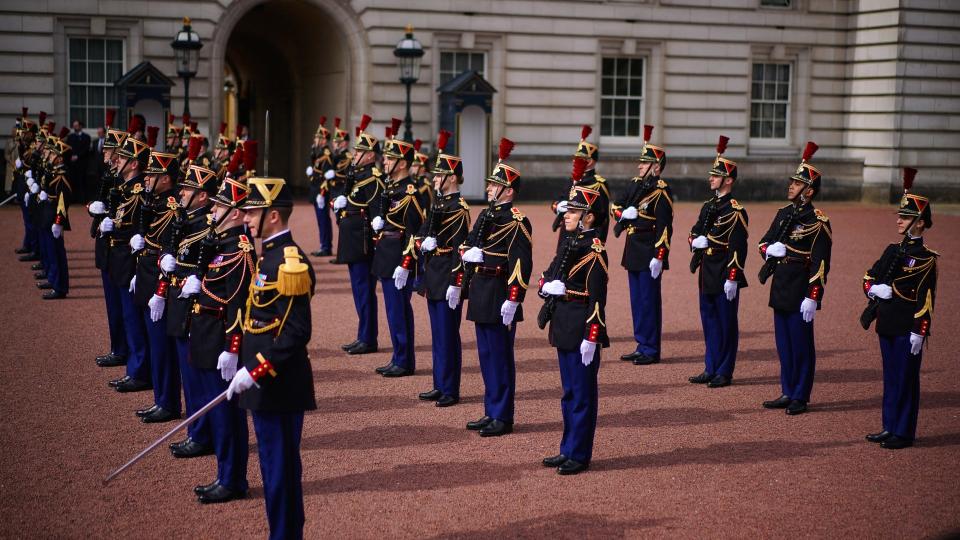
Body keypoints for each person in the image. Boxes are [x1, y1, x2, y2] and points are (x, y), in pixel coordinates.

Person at [226, 175, 316, 540]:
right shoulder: (269, 257)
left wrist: (255, 370)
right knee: (273, 467)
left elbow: (296, 332)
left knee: (278, 471)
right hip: (265, 383)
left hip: (277, 383)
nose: (246, 219)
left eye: (253, 212)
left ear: (273, 216)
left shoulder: (289, 262)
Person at [454, 138, 532, 437]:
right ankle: (490, 410)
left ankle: (503, 416)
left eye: (493, 185)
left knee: (500, 357)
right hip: (481, 289)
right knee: (486, 356)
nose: (488, 189)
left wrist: (514, 299)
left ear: (508, 190)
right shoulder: (486, 215)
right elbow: (468, 243)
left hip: (500, 292)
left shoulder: (517, 222)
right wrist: (467, 253)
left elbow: (521, 264)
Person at [189, 157, 255, 503]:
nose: (212, 211)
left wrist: (233, 347)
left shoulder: (239, 251)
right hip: (205, 333)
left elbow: (238, 305)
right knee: (216, 414)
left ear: (233, 212)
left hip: (220, 339)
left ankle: (232, 480)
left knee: (228, 417)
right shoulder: (218, 245)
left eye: (218, 206)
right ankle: (223, 475)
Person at [862, 167, 937, 449]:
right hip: (887, 322)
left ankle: (904, 431)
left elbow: (927, 298)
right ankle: (889, 425)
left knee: (906, 379)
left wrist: (921, 331)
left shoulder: (926, 259)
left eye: (905, 217)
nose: (899, 220)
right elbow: (869, 275)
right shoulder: (892, 251)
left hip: (908, 326)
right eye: (900, 215)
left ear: (919, 223)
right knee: (891, 377)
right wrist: (873, 289)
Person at [538, 176, 609, 476]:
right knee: (568, 394)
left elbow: (597, 300)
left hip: (581, 328)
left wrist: (592, 337)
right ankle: (567, 447)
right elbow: (546, 276)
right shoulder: (570, 244)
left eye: (574, 211)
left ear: (588, 217)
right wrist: (547, 287)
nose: (566, 214)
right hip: (563, 325)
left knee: (582, 395)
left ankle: (579, 454)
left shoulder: (594, 251)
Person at [758, 141, 832, 416]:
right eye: (791, 182)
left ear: (809, 191)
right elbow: (762, 243)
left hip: (801, 287)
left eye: (797, 183)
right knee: (784, 343)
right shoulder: (783, 214)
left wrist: (814, 297)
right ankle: (787, 390)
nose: (790, 186)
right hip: (781, 284)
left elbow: (821, 263)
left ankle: (801, 394)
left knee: (801, 345)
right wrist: (769, 250)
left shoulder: (818, 221)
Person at [163, 137, 219, 459]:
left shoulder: (207, 228)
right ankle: (196, 430)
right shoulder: (185, 223)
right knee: (189, 376)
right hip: (178, 301)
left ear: (202, 196)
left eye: (186, 190)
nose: (180, 193)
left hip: (194, 307)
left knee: (197, 378)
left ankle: (201, 434)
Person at [414, 129, 471, 406]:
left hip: (446, 275)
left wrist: (456, 282)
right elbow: (422, 232)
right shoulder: (439, 204)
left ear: (451, 178)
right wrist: (421, 242)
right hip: (433, 272)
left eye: (439, 176)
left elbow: (460, 249)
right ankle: (439, 382)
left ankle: (450, 388)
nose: (435, 179)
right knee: (437, 334)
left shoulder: (458, 208)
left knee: (448, 335)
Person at [687, 136, 749, 388]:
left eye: (716, 176)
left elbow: (738, 246)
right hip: (707, 270)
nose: (711, 179)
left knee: (726, 323)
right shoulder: (708, 206)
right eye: (711, 175)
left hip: (724, 271)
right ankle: (710, 366)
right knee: (709, 320)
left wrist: (733, 276)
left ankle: (724, 369)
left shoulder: (735, 211)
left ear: (729, 180)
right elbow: (694, 230)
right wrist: (695, 241)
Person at [610, 124, 673, 366]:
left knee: (649, 302)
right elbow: (616, 206)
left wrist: (660, 256)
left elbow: (665, 228)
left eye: (645, 163)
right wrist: (623, 214)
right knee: (637, 301)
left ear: (656, 167)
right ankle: (641, 343)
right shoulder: (635, 185)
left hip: (649, 252)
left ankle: (651, 348)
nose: (639, 166)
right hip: (633, 249)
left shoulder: (661, 193)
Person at [131, 142, 183, 424]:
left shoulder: (172, 209)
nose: (147, 179)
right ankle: (160, 398)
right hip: (146, 271)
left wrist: (161, 291)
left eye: (152, 175)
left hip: (159, 279)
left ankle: (168, 402)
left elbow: (168, 252)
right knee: (154, 343)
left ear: (166, 178)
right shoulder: (153, 202)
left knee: (162, 346)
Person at [101, 117, 153, 394]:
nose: (116, 161)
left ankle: (139, 370)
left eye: (123, 158)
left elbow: (136, 227)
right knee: (124, 315)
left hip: (129, 260)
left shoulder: (138, 193)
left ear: (134, 163)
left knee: (133, 319)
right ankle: (133, 367)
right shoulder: (122, 189)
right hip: (116, 258)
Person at [371, 119, 424, 377]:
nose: (385, 162)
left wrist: (407, 265)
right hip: (386, 251)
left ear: (402, 163)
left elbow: (415, 233)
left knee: (399, 310)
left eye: (390, 159)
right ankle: (397, 356)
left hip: (398, 256)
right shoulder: (391, 187)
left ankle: (404, 360)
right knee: (392, 311)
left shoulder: (410, 192)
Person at [333, 114, 383, 355]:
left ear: (371, 155)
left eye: (360, 153)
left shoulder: (372, 178)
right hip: (352, 239)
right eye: (355, 152)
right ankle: (362, 334)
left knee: (364, 290)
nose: (355, 155)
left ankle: (368, 337)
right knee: (358, 290)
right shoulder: (358, 176)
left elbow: (375, 214)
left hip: (362, 241)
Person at [91, 110, 131, 369]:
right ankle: (117, 347)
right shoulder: (113, 178)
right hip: (108, 246)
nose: (105, 155)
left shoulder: (128, 183)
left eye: (109, 151)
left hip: (121, 250)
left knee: (122, 309)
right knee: (113, 307)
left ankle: (123, 350)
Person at [551, 125, 610, 246]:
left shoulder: (598, 184)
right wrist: (558, 207)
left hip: (586, 237)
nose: (574, 161)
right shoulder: (572, 180)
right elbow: (556, 201)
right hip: (566, 232)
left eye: (579, 159)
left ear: (589, 161)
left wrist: (600, 241)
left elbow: (603, 217)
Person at [35, 128, 73, 299]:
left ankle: (60, 287)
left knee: (57, 253)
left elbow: (63, 202)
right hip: (47, 213)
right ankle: (53, 279)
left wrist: (58, 221)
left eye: (52, 155)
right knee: (51, 251)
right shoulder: (54, 172)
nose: (49, 156)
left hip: (53, 217)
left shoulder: (62, 176)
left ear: (59, 157)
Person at [306, 116, 334, 257]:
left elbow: (327, 176)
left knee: (323, 220)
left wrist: (322, 193)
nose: (315, 140)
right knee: (320, 220)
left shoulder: (326, 154)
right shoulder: (317, 153)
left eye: (317, 138)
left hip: (321, 192)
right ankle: (324, 245)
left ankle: (326, 246)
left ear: (323, 140)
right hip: (316, 189)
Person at [65, 119, 90, 201]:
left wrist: (78, 156)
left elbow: (86, 149)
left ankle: (82, 199)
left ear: (80, 126)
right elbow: (67, 148)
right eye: (74, 126)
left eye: (76, 125)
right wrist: (71, 156)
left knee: (82, 181)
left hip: (82, 163)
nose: (75, 127)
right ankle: (73, 199)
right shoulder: (70, 137)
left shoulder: (86, 137)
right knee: (72, 181)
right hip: (72, 163)